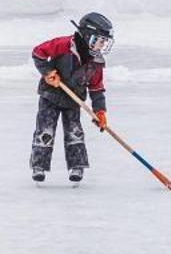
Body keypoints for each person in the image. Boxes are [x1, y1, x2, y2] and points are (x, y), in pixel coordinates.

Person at [29, 11, 113, 184]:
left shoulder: (96, 63)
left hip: (74, 99)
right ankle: (39, 165)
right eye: (99, 40)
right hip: (50, 95)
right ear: (87, 35)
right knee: (45, 130)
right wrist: (47, 73)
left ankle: (77, 165)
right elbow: (38, 53)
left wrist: (100, 111)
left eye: (104, 42)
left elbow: (97, 88)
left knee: (74, 132)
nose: (101, 45)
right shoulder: (64, 44)